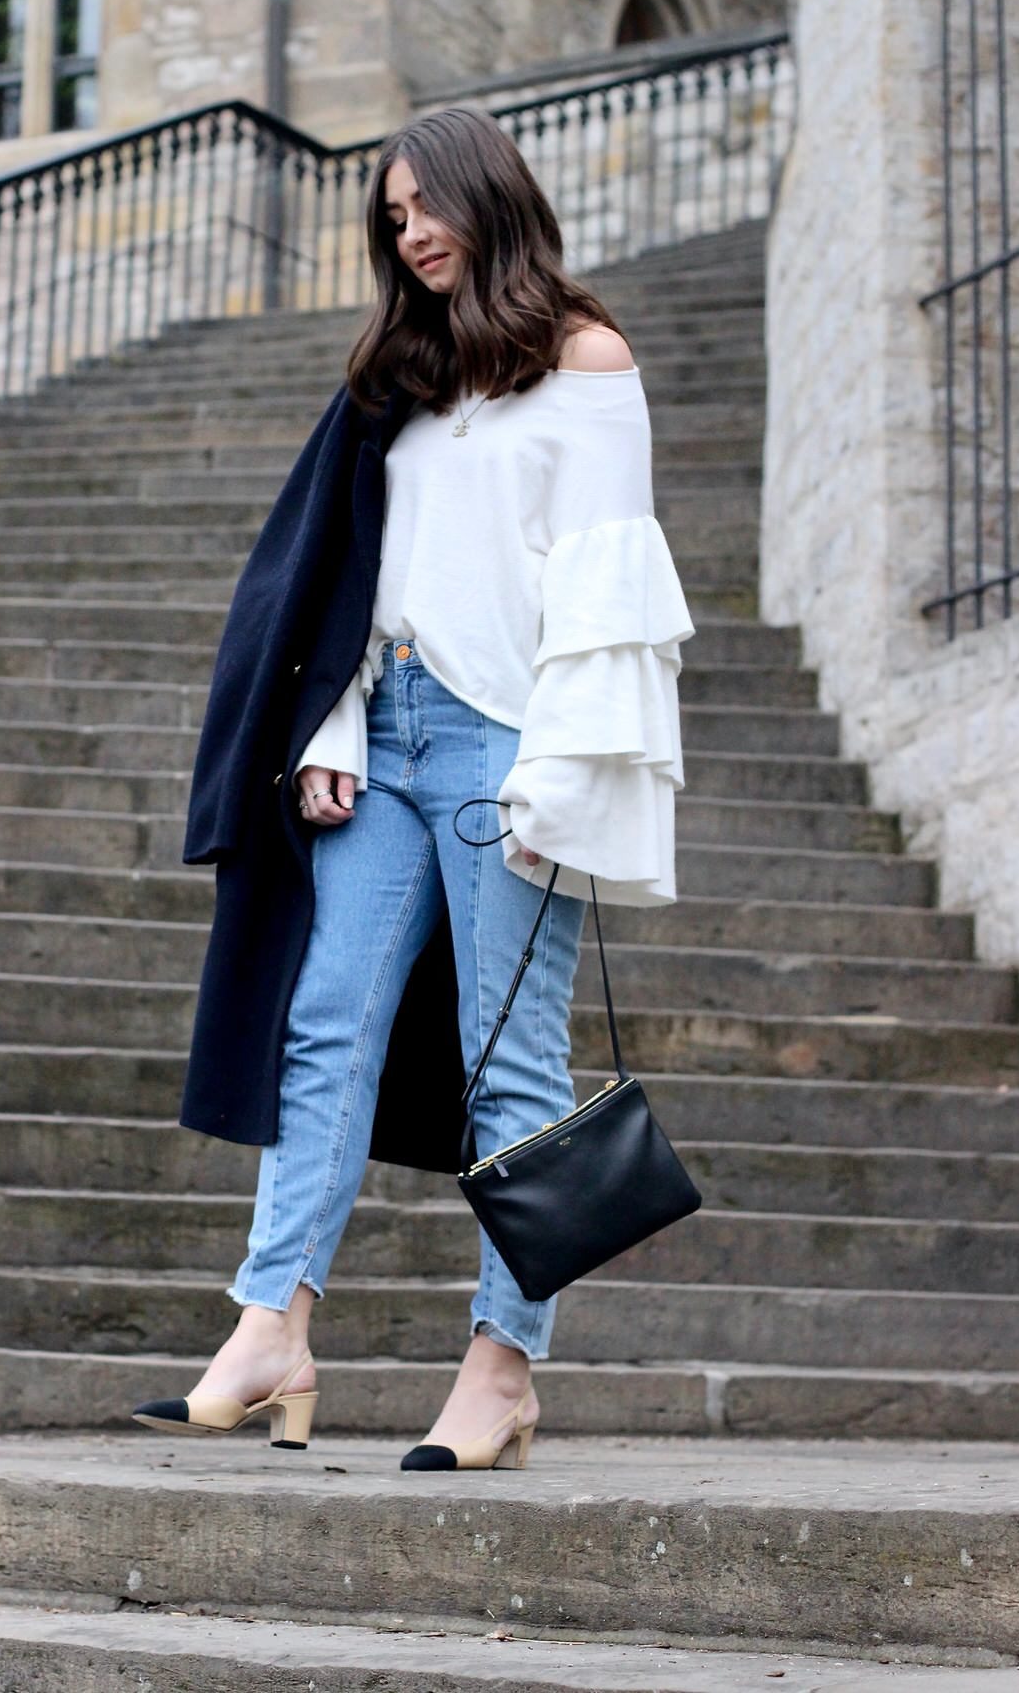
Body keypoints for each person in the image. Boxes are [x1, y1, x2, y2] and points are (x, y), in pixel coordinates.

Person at [131, 104, 695, 1470]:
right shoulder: (407, 373)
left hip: (513, 746)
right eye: (393, 219)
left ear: (486, 193)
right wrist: (331, 727)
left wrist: (563, 776)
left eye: (424, 206)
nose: (412, 233)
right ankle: (272, 1327)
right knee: (325, 1024)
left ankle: (502, 1368)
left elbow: (609, 593)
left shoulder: (588, 362)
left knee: (512, 1072)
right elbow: (345, 580)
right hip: (389, 739)